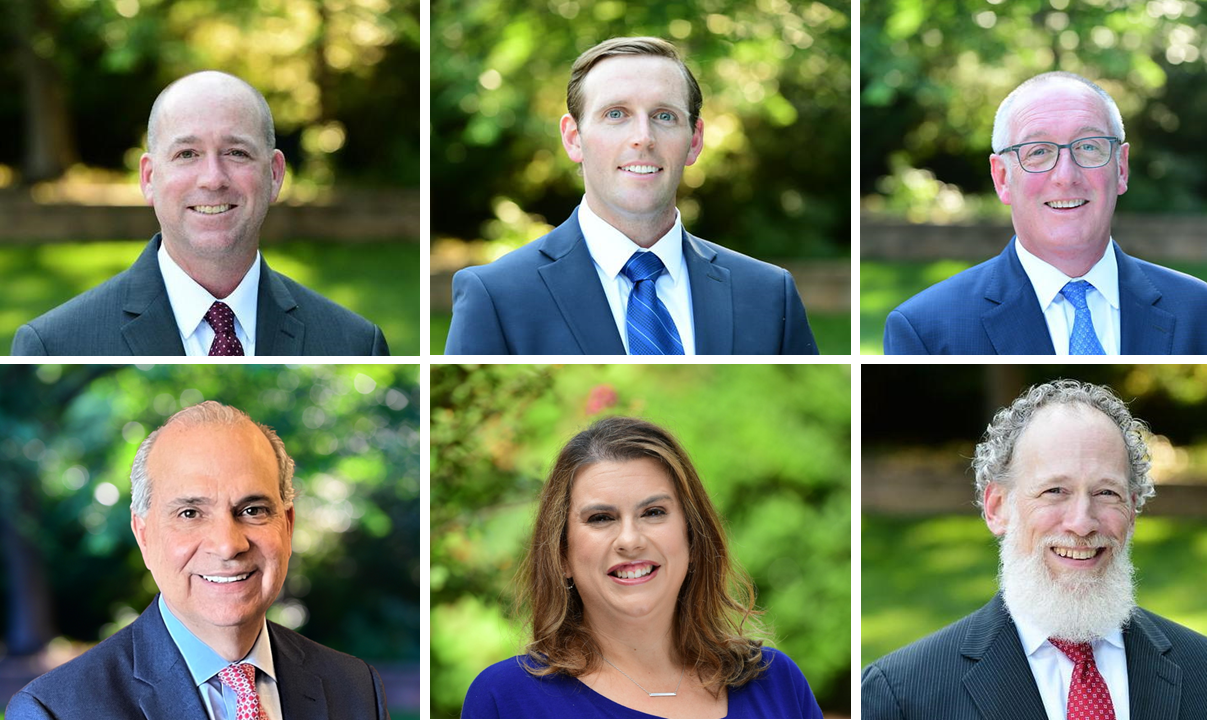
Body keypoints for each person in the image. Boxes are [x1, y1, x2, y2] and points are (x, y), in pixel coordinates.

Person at [861, 380, 1207, 719]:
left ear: (1134, 510)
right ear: (998, 508)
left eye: (1107, 493)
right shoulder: (902, 695)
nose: (1082, 522)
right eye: (1055, 491)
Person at [6, 401, 389, 719]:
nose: (227, 545)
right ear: (144, 534)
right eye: (190, 513)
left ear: (287, 526)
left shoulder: (356, 689)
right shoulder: (54, 711)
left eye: (253, 510)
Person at [444, 37, 818, 355]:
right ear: (574, 138)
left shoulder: (769, 294)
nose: (643, 137)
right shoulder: (495, 295)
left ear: (695, 140)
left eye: (665, 116)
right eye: (616, 114)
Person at [462, 416, 823, 717]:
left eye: (653, 513)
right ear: (562, 555)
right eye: (601, 518)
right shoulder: (507, 699)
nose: (630, 540)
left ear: (693, 539)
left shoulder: (776, 683)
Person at [11, 71, 390, 356]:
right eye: (187, 154)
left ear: (274, 175)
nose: (212, 179)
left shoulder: (356, 343)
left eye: (236, 152)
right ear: (149, 177)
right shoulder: (53, 344)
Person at [883, 72, 1207, 355]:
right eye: (1038, 151)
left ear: (1121, 168)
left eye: (1088, 147)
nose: (1065, 176)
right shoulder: (925, 330)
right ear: (1002, 178)